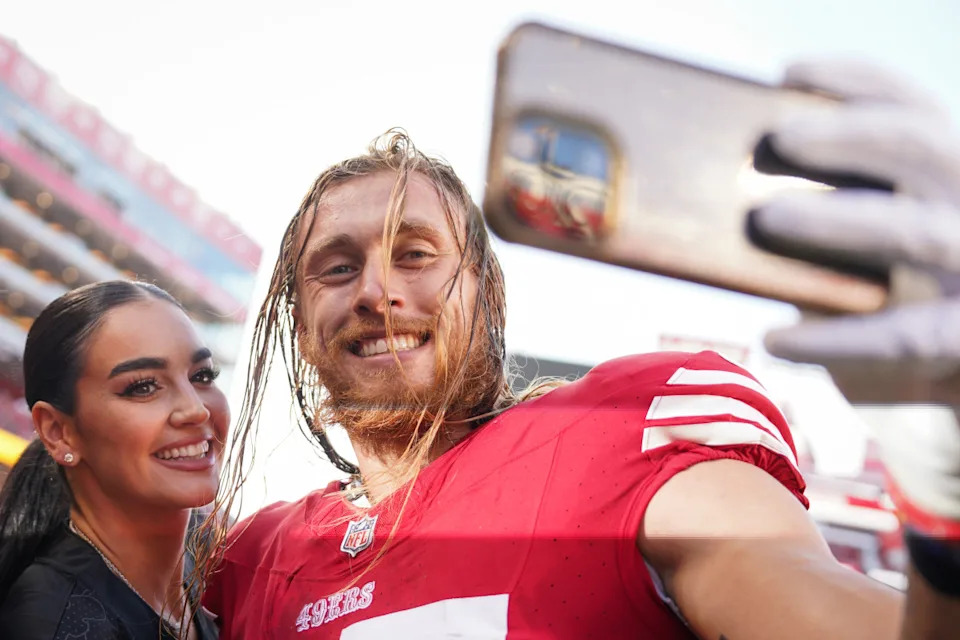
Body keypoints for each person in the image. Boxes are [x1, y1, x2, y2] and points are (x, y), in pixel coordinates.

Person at [202, 59, 959, 639]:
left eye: (416, 255)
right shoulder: (250, 560)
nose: (375, 291)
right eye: (337, 268)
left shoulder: (617, 441)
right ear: (300, 322)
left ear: (487, 298)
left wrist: (944, 507)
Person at [0, 280, 226, 639]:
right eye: (143, 386)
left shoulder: (205, 588)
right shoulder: (55, 621)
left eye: (201, 375)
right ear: (58, 432)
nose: (196, 410)